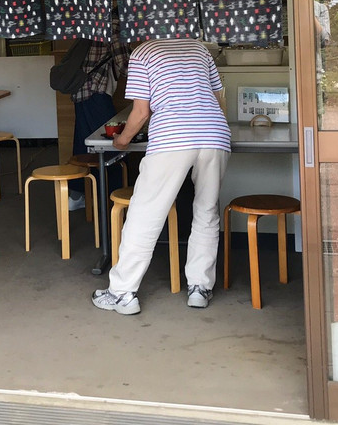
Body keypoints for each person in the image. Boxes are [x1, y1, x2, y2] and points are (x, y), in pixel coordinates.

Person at [91, 37, 229, 315]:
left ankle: (122, 293)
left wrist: (122, 140)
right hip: (215, 134)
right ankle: (200, 288)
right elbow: (217, 98)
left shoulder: (143, 53)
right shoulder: (198, 48)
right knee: (206, 211)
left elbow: (141, 112)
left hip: (172, 139)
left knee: (145, 214)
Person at [67, 28, 130, 210]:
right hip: (97, 92)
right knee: (113, 144)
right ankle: (116, 196)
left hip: (81, 92)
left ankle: (78, 195)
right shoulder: (114, 28)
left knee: (84, 144)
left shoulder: (90, 25)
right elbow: (126, 65)